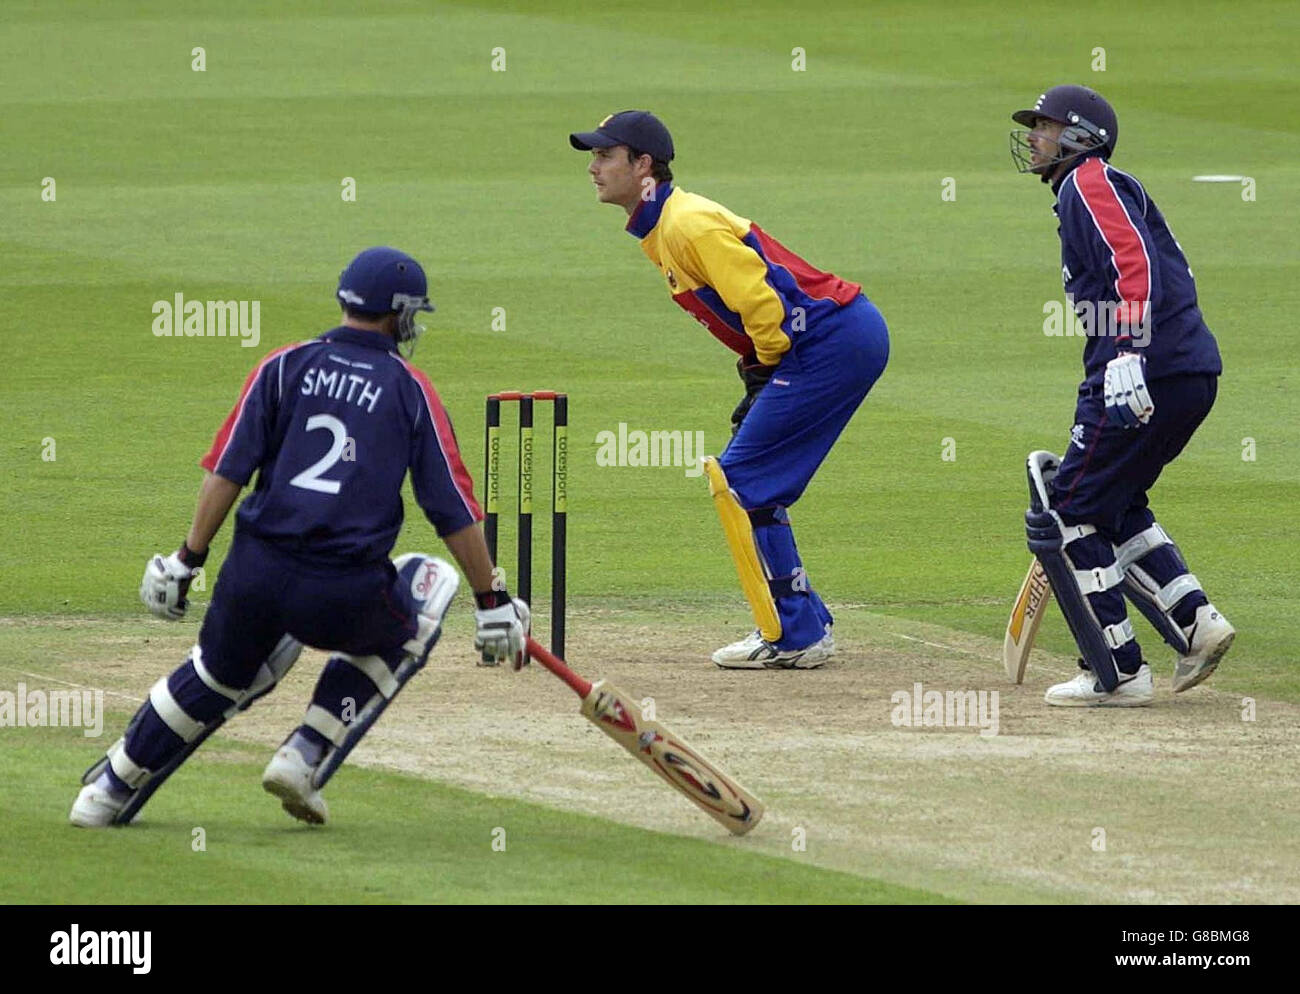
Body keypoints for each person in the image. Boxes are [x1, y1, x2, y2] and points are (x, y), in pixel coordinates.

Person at [70, 247, 529, 827]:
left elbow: (226, 472)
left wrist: (186, 559)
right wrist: (492, 602)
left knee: (217, 674)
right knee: (426, 585)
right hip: (342, 590)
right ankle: (305, 750)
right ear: (402, 314)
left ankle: (105, 792)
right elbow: (453, 508)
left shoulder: (284, 365)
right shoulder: (410, 389)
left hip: (253, 573)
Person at [570, 111, 889, 670]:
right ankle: (803, 623)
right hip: (825, 339)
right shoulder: (662, 228)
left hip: (830, 340)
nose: (593, 168)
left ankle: (796, 633)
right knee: (751, 479)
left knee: (741, 480)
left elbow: (767, 302)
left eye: (605, 156)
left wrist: (767, 368)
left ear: (643, 165)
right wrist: (758, 370)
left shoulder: (685, 223)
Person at [1010, 85, 1234, 707]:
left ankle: (1116, 670)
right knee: (1112, 501)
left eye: (1045, 125)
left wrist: (1129, 350)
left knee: (1069, 509)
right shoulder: (1083, 190)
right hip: (1181, 371)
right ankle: (1195, 622)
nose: (1034, 136)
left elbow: (1131, 259)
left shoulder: (1089, 181)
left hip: (1148, 367)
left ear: (1080, 135)